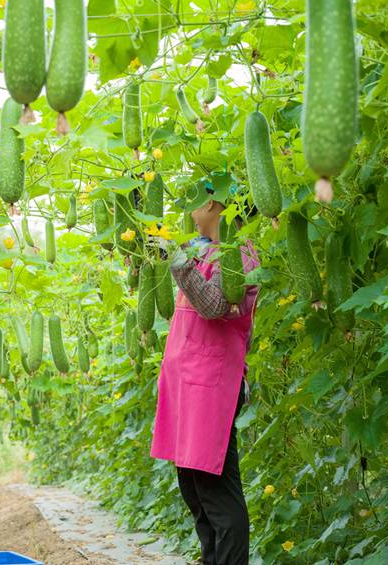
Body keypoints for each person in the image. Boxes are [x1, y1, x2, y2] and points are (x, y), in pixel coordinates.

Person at [150, 187, 260, 565]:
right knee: (195, 493)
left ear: (213, 204)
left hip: (212, 388)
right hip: (187, 386)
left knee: (216, 493)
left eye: (193, 198)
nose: (187, 207)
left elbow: (215, 305)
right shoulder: (202, 249)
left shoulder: (241, 254)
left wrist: (178, 259)